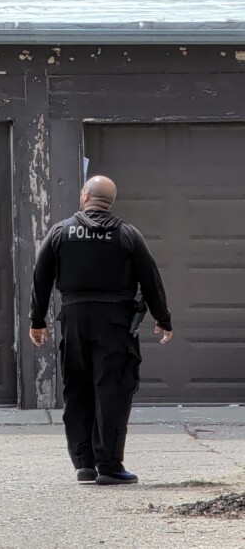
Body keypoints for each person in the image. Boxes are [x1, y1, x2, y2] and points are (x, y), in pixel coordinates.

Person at [29, 175, 173, 485]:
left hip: (74, 318)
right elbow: (150, 277)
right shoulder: (126, 234)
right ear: (110, 201)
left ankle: (84, 464)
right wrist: (163, 318)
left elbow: (41, 277)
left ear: (84, 197)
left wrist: (37, 321)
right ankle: (109, 465)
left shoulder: (60, 232)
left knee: (77, 387)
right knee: (113, 390)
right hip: (115, 322)